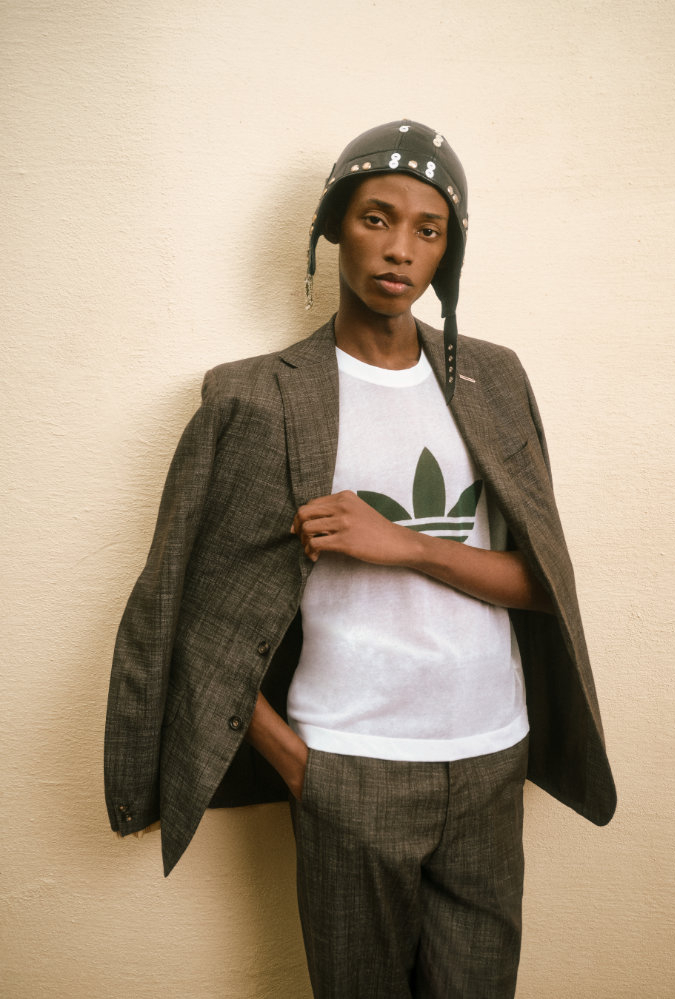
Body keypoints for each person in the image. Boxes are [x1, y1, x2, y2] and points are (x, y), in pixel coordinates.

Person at [104, 119, 616, 998]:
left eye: (428, 229)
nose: (400, 248)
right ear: (336, 225)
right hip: (348, 763)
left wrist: (405, 546)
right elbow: (191, 609)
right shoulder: (255, 395)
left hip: (492, 757)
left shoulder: (495, 378)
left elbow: (544, 586)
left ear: (448, 251)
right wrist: (301, 766)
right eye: (377, 218)